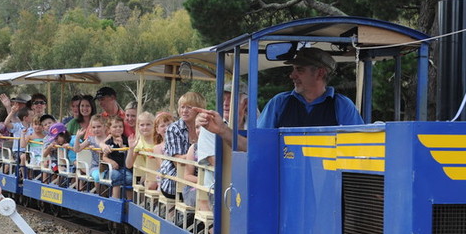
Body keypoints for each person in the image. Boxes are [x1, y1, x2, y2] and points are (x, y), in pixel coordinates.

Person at [197, 48, 363, 149]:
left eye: (300, 70)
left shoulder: (342, 106)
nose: (292, 75)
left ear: (320, 73)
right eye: (293, 69)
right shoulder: (279, 104)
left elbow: (360, 147)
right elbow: (253, 147)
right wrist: (222, 130)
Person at [160, 92, 206, 198]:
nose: (184, 111)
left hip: (197, 175)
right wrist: (193, 155)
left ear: (199, 109)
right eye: (182, 107)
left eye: (189, 107)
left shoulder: (206, 126)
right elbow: (178, 162)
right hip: (176, 180)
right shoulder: (174, 129)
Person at [127, 111, 158, 191]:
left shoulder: (159, 140)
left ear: (154, 126)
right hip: (147, 174)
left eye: (148, 124)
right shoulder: (139, 143)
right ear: (138, 127)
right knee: (151, 184)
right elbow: (129, 165)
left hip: (160, 172)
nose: (145, 127)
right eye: (142, 125)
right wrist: (131, 149)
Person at [101, 116, 131, 199]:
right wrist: (111, 162)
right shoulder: (108, 142)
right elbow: (104, 157)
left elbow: (128, 155)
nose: (118, 128)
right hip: (111, 170)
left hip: (123, 168)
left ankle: (129, 202)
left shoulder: (126, 140)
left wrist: (122, 146)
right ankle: (116, 199)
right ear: (109, 129)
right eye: (115, 127)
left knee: (129, 178)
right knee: (116, 175)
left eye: (120, 127)